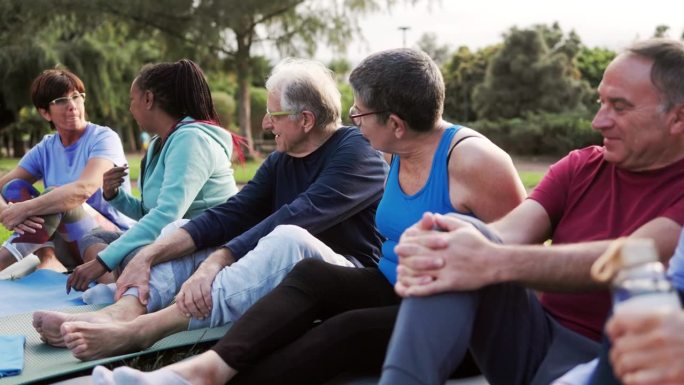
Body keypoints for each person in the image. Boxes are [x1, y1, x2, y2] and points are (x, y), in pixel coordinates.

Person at [90, 49, 526, 385]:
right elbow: (240, 211)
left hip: (457, 315)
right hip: (392, 283)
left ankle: (203, 378)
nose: (352, 120)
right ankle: (200, 366)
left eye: (360, 113)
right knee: (313, 275)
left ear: (395, 123)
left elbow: (521, 264)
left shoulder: (474, 162)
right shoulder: (394, 150)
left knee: (343, 332)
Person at [373, 38, 684, 385]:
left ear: (677, 117)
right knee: (454, 234)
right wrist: (456, 244)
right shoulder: (582, 166)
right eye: (601, 103)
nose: (599, 121)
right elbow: (507, 233)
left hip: (625, 363)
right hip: (534, 340)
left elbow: (633, 258)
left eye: (620, 107)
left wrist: (489, 261)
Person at [32, 58, 388, 358]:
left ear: (306, 120)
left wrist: (217, 260)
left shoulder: (357, 150)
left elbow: (298, 214)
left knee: (287, 237)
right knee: (180, 230)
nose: (265, 123)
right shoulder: (284, 157)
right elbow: (232, 212)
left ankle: (144, 330)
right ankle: (119, 313)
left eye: (273, 114)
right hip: (288, 270)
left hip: (345, 275)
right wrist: (149, 255)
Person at [64, 59, 240, 293]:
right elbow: (150, 212)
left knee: (124, 255)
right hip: (171, 239)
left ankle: (120, 289)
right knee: (95, 237)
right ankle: (119, 288)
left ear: (148, 99)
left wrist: (102, 262)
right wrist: (114, 195)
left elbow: (167, 215)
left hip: (201, 248)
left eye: (132, 100)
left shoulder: (192, 140)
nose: (130, 108)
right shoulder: (159, 143)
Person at [0, 69, 135, 274]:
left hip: (112, 244)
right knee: (15, 188)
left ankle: (2, 261)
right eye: (61, 100)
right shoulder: (46, 147)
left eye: (77, 97)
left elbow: (83, 189)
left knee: (59, 195)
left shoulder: (104, 138)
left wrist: (25, 209)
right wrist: (5, 212)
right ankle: (48, 259)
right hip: (69, 244)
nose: (72, 106)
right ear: (45, 112)